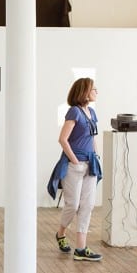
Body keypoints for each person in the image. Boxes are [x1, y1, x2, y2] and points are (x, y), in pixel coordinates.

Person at [47, 77, 103, 261]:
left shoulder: (92, 112)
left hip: (91, 164)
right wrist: (75, 161)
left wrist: (96, 154)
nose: (96, 92)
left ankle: (81, 249)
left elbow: (92, 137)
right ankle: (61, 233)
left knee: (88, 205)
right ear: (84, 92)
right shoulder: (74, 112)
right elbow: (63, 139)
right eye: (93, 89)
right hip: (75, 166)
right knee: (73, 205)